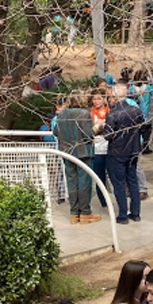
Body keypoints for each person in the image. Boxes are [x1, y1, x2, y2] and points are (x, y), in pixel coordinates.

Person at [55, 91, 100, 225]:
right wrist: (97, 127)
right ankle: (85, 213)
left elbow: (55, 132)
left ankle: (74, 213)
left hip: (67, 152)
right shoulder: (83, 113)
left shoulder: (62, 114)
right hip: (83, 153)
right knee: (84, 183)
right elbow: (88, 135)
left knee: (71, 183)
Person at [104, 84, 145, 224]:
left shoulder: (113, 113)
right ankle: (135, 213)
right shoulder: (136, 111)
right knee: (133, 181)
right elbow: (144, 127)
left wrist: (100, 128)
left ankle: (122, 215)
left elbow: (108, 135)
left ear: (115, 97)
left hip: (117, 151)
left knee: (119, 184)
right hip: (132, 150)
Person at [89, 91, 110, 210]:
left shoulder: (109, 112)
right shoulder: (90, 114)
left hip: (109, 147)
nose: (96, 101)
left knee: (112, 175)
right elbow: (90, 132)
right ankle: (103, 201)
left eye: (99, 99)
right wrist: (97, 127)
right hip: (96, 148)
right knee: (99, 176)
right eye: (94, 99)